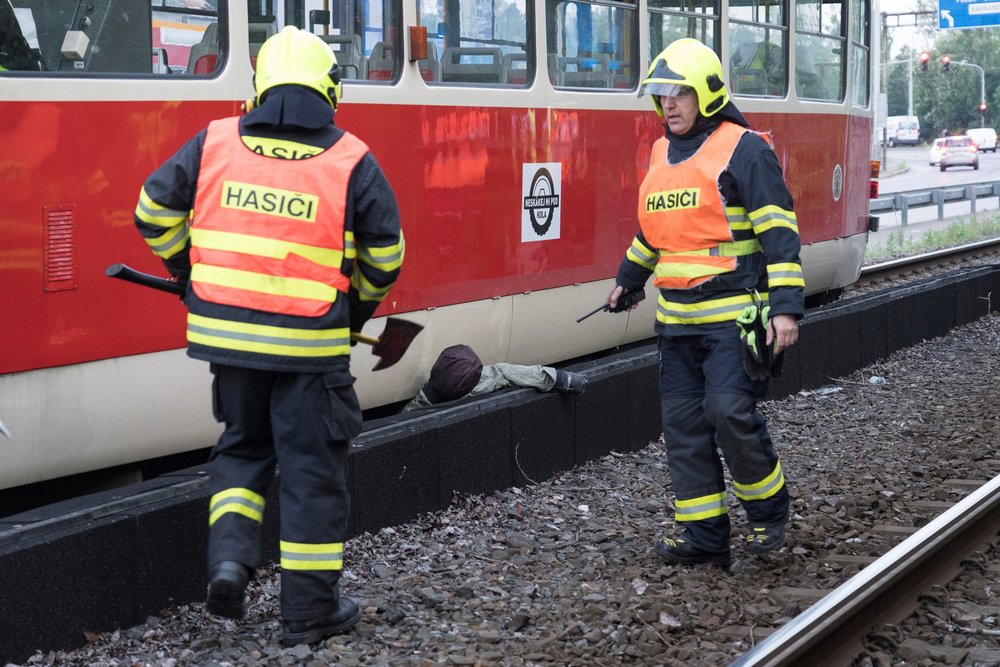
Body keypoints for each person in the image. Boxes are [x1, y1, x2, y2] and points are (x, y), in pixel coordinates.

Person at [132, 26, 404, 645]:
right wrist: (353, 313)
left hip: (229, 345)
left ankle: (229, 563)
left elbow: (152, 212)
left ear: (261, 85)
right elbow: (387, 256)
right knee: (311, 472)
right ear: (329, 89)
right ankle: (308, 613)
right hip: (311, 352)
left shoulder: (217, 141)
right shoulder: (350, 158)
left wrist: (189, 273)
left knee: (242, 451)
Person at [607, 38, 803, 568]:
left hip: (733, 322)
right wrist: (628, 279)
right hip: (677, 324)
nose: (668, 103)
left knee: (728, 412)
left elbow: (779, 234)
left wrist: (785, 309)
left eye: (680, 93)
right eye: (662, 94)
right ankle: (705, 536)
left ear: (708, 95)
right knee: (684, 428)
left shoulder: (746, 150)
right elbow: (655, 233)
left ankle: (767, 515)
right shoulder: (658, 154)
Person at [403, 345, 587, 410]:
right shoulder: (481, 384)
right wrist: (560, 379)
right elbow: (502, 372)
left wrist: (559, 378)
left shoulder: (413, 410)